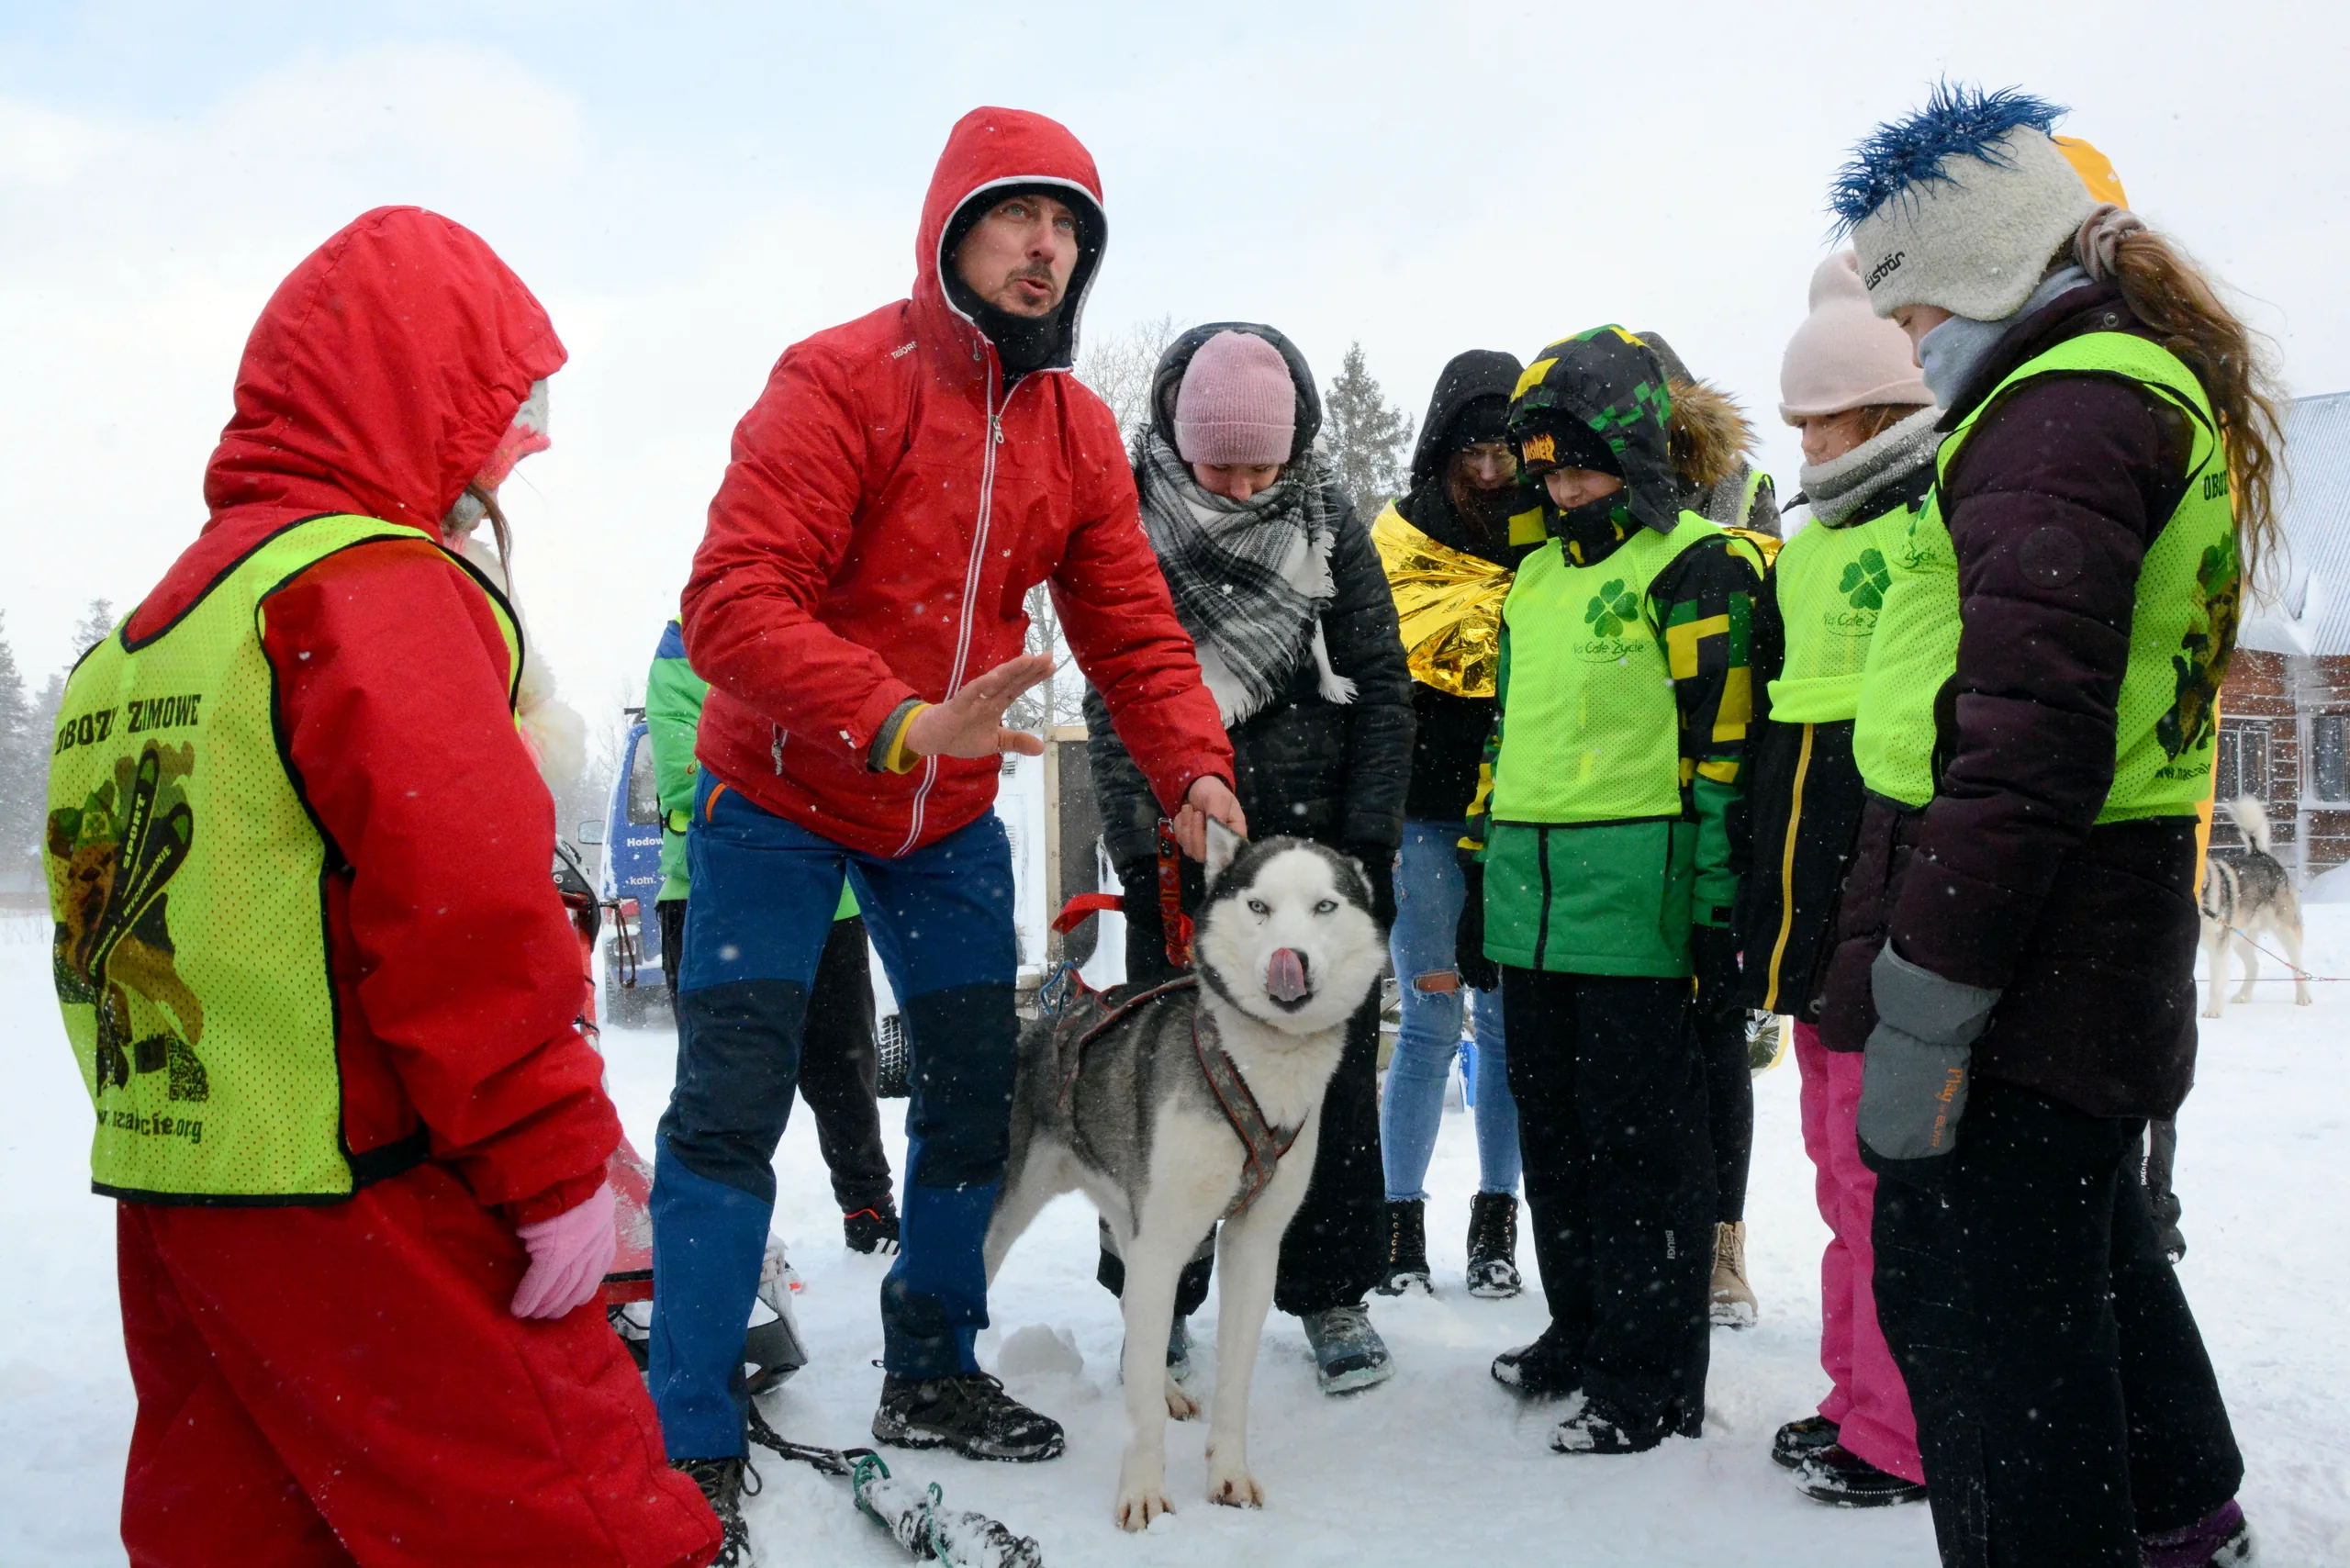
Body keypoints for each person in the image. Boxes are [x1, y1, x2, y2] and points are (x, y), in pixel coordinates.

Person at [41, 207, 720, 1568]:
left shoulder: (146, 642)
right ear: (424, 386)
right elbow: (465, 918)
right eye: (500, 407)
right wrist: (554, 1165)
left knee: (242, 1525)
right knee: (571, 1520)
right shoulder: (368, 586)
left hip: (187, 1193)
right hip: (376, 1192)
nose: (512, 456)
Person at [652, 106, 1239, 1552]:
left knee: (979, 1091)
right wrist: (901, 718)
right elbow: (731, 604)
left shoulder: (1075, 430)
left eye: (1071, 231)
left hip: (944, 822)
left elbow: (1136, 639)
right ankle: (686, 1433)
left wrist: (1195, 770)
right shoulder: (840, 379)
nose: (1046, 250)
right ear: (950, 229)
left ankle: (930, 1367)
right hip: (776, 800)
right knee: (733, 1106)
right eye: (1018, 217)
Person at [1822, 84, 2271, 1567]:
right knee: (2071, 1260)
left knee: (1984, 1322)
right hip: (2098, 925)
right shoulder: (2119, 384)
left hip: (2030, 935)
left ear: (1988, 265)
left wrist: (1926, 1002)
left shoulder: (2059, 410)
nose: (1912, 345)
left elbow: (2023, 749)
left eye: (1918, 308)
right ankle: (2176, 1506)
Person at [1085, 322, 1414, 1393]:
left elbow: (1379, 685)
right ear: (1180, 449)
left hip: (1317, 862)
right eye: (1220, 464)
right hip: (1188, 855)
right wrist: (1143, 846)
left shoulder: (1328, 522)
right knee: (1165, 1080)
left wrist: (1365, 853)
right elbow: (1114, 691)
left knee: (1324, 1078)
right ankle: (1160, 1290)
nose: (1240, 483)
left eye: (1259, 464)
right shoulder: (1129, 523)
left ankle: (1327, 1291)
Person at [1463, 326, 1764, 1454]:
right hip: (1531, 905)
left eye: (1580, 465)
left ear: (1637, 453)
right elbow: (1505, 737)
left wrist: (1715, 906)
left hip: (1642, 912)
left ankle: (1650, 1374)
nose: (1560, 488)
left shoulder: (1697, 564)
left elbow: (1724, 753)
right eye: (1544, 469)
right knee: (1556, 1138)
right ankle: (1580, 1326)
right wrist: (1477, 876)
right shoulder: (1532, 581)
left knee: (1643, 1154)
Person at [1735, 249, 1940, 1507]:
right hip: (1814, 919)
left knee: (1886, 1183)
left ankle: (1903, 1430)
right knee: (1830, 1167)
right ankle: (1849, 1392)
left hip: (1889, 897)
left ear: (1893, 411)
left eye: (1832, 418)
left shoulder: (1931, 524)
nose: (1809, 442)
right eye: (1799, 419)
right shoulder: (1801, 551)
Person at [644, 618, 900, 1254]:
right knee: (720, 1084)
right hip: (709, 896)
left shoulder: (820, 634)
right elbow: (685, 777)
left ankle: (869, 1208)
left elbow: (857, 754)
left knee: (845, 1067)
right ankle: (710, 1239)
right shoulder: (682, 651)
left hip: (828, 899)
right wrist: (805, 782)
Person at [1369, 349, 1530, 1298]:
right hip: (1425, 817)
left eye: (1503, 449)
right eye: (1469, 450)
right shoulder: (1398, 544)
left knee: (1506, 1029)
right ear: (1440, 446)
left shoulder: (1549, 539)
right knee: (1430, 1020)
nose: (1486, 470)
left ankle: (1495, 1230)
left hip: (1521, 813)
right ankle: (1398, 1228)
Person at [1629, 330, 1783, 1328]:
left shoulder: (1740, 494)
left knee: (1716, 1035)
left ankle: (1722, 1242)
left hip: (1731, 777)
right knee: (1650, 1045)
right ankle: (1655, 1236)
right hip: (1631, 794)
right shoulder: (1591, 497)